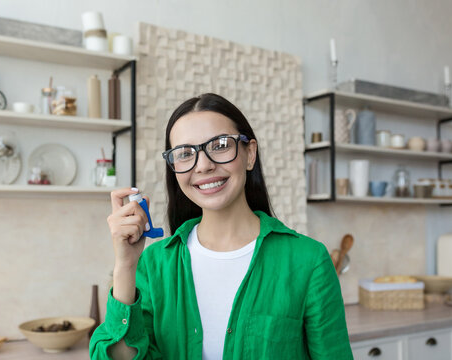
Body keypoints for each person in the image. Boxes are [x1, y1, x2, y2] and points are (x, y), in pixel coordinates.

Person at [89, 93, 353, 359]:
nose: (203, 165)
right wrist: (125, 265)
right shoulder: (154, 264)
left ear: (250, 154)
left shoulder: (308, 261)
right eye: (184, 153)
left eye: (220, 145)